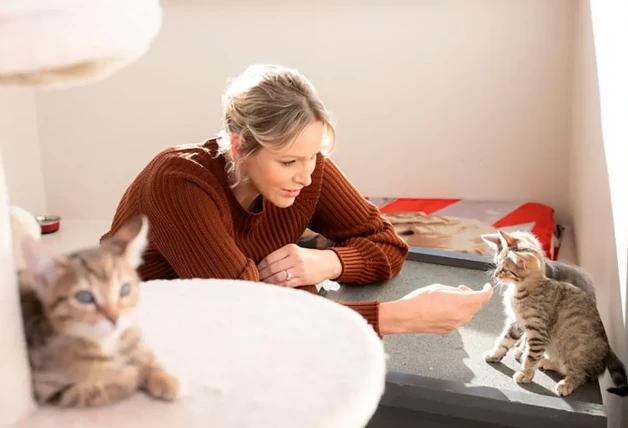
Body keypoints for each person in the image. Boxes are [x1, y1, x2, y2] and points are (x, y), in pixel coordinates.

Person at [101, 64, 493, 337]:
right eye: (288, 161)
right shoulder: (179, 183)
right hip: (137, 331)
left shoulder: (307, 171)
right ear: (240, 146)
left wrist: (328, 261)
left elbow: (388, 244)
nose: (306, 176)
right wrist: (400, 317)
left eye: (313, 157)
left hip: (237, 318)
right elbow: (246, 315)